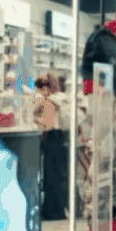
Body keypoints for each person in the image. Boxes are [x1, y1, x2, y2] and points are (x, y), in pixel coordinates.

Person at [34, 73, 69, 221]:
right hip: (61, 138)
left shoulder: (50, 101)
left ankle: (53, 211)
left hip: (52, 138)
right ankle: (57, 209)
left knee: (52, 176)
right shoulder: (60, 98)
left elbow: (47, 124)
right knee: (58, 175)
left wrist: (37, 120)